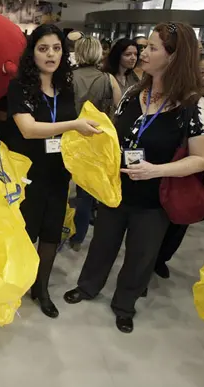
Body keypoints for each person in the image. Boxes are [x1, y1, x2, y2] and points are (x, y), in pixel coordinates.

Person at [63, 22, 204, 334]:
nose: (143, 53)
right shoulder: (135, 92)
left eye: (153, 48)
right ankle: (88, 286)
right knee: (102, 243)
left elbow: (201, 159)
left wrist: (156, 170)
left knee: (141, 254)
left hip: (155, 196)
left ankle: (124, 304)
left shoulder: (194, 105)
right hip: (116, 188)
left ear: (174, 57)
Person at [5, 23, 101, 318]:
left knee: (51, 235)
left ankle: (42, 288)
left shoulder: (66, 87)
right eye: (43, 48)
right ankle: (14, 287)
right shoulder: (20, 87)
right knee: (24, 234)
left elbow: (70, 130)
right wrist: (73, 126)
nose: (51, 54)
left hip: (59, 174)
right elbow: (29, 129)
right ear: (32, 52)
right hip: (27, 174)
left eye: (56, 48)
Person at [154, 54, 204, 278]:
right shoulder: (179, 103)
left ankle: (161, 259)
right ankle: (148, 264)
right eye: (203, 71)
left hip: (196, 175)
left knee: (181, 220)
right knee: (159, 224)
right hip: (172, 170)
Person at [69, 35, 121, 251]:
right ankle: (78, 238)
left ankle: (61, 228)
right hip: (96, 139)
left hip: (68, 135)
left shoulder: (67, 77)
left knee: (61, 188)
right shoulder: (109, 79)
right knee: (86, 192)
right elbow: (120, 109)